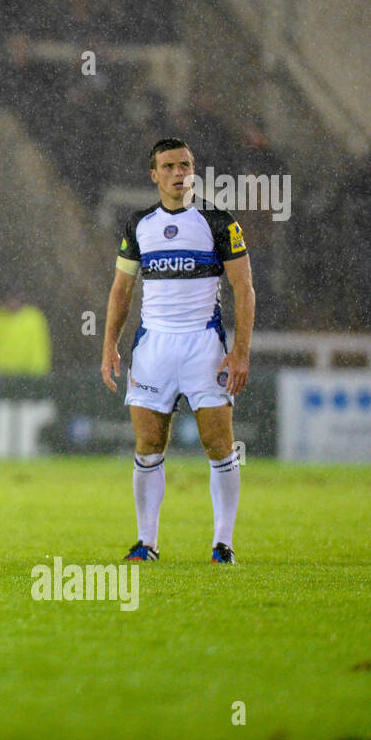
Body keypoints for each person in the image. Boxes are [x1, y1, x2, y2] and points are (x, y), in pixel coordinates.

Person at [101, 138, 256, 564]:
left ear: (193, 170)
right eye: (168, 166)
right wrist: (109, 346)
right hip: (154, 347)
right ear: (154, 174)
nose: (178, 173)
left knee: (219, 444)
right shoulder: (138, 225)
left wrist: (240, 351)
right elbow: (121, 291)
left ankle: (222, 544)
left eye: (184, 165)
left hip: (204, 346)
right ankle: (145, 543)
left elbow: (244, 289)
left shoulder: (218, 221)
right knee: (149, 443)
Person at [0, 290, 51, 376]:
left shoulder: (33, 318)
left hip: (23, 377)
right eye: (9, 300)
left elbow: (38, 349)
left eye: (15, 300)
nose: (12, 303)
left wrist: (37, 375)